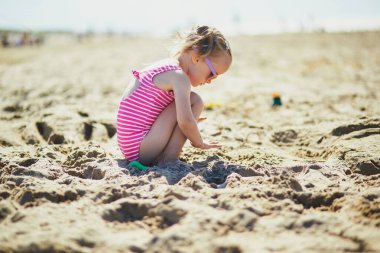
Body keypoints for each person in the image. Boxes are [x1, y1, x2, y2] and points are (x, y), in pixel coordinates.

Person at [116, 25, 232, 166]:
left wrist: (183, 116)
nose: (209, 81)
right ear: (196, 58)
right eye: (212, 75)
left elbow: (146, 108)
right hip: (142, 148)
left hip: (130, 146)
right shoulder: (180, 78)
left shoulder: (165, 67)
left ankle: (164, 156)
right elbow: (185, 122)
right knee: (195, 100)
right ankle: (169, 159)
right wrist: (199, 142)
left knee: (187, 106)